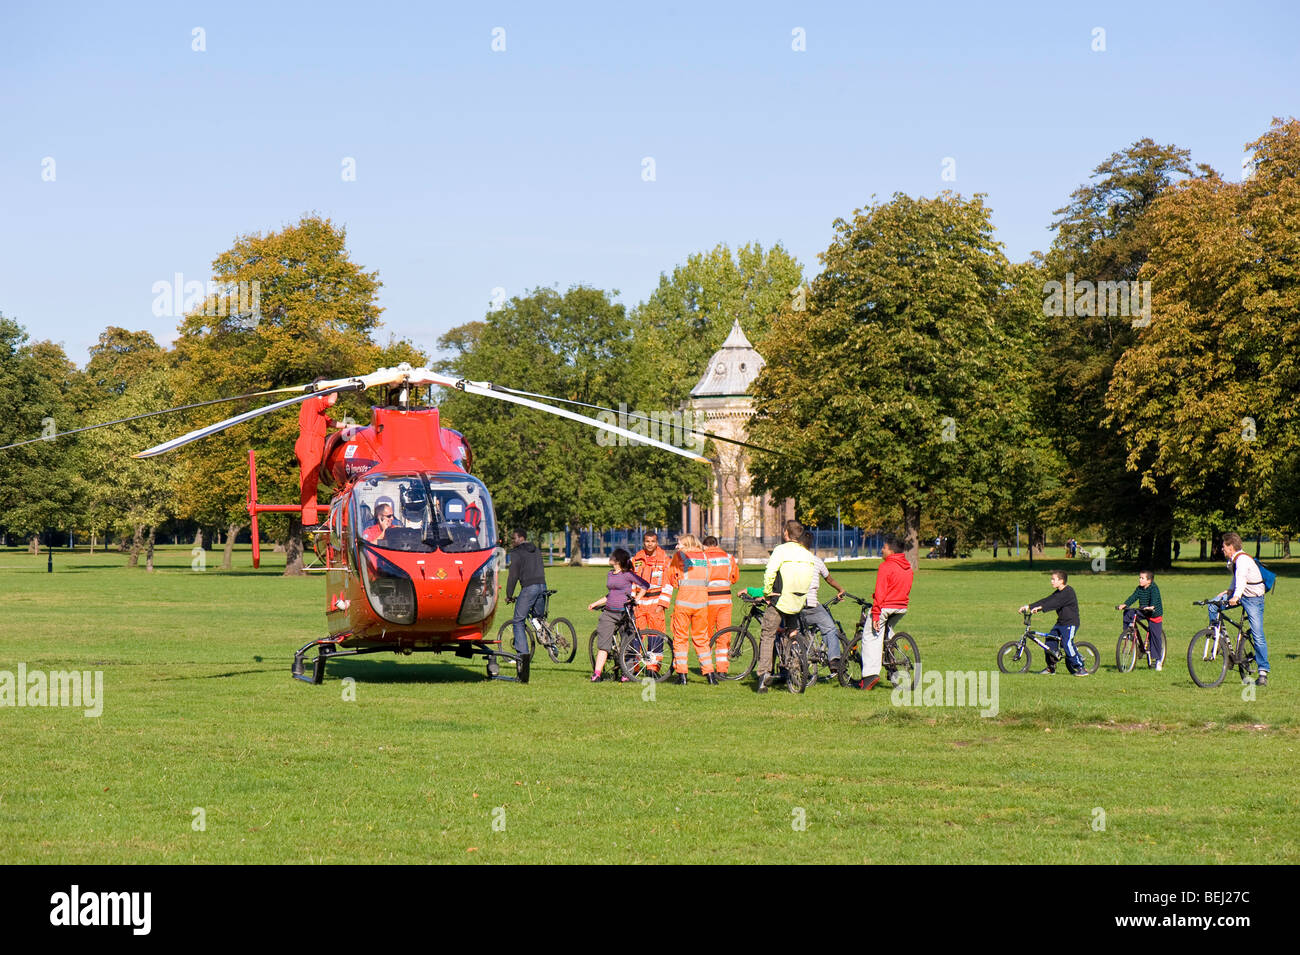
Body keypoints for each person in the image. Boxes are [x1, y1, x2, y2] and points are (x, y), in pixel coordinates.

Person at [754, 520, 818, 693]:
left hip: (781, 600)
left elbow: (770, 572)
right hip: (798, 600)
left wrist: (767, 593)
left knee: (767, 634)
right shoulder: (808, 555)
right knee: (792, 633)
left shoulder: (781, 550)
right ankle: (795, 667)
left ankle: (764, 674)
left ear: (786, 533)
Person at [1208, 532, 1269, 686]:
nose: (1222, 549)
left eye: (1224, 547)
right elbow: (1236, 579)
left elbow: (1241, 579)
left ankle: (1263, 672)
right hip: (1239, 594)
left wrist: (1235, 597)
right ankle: (1219, 642)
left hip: (1254, 599)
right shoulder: (1233, 560)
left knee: (1257, 634)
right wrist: (1229, 591)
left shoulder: (1242, 560)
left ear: (1231, 547)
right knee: (1212, 605)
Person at [855, 533, 912, 690]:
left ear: (891, 552)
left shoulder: (886, 566)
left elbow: (881, 592)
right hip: (901, 607)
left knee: (870, 637)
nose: (881, 550)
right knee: (887, 633)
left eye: (884, 548)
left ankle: (870, 675)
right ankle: (891, 663)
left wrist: (876, 612)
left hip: (885, 607)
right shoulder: (907, 567)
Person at [587, 549, 648, 682]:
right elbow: (611, 594)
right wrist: (595, 603)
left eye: (612, 556)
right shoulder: (610, 574)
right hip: (609, 612)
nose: (610, 558)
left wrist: (636, 599)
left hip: (624, 613)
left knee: (628, 643)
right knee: (603, 645)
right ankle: (597, 674)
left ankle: (627, 674)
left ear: (618, 560)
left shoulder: (627, 574)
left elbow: (645, 585)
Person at [662, 534, 716, 684]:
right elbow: (709, 576)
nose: (676, 546)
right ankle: (710, 675)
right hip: (702, 603)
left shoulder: (680, 556)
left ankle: (682, 676)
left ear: (685, 544)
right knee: (702, 639)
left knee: (680, 639)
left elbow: (671, 576)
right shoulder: (705, 557)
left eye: (678, 543)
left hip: (684, 602)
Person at [799, 530, 848, 679]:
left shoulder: (792, 561)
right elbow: (829, 579)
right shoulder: (816, 561)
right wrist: (840, 589)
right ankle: (833, 660)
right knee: (830, 628)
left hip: (794, 605)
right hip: (811, 605)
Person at [1019, 569, 1086, 675]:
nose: (1052, 581)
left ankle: (1081, 668)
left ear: (1061, 581)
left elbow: (1055, 603)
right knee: (1049, 642)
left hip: (1070, 623)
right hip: (1060, 623)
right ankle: (1051, 668)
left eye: (1054, 579)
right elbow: (1047, 600)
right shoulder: (1058, 592)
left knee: (1067, 643)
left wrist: (1040, 608)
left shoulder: (1068, 591)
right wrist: (1028, 606)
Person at [505, 528, 547, 684]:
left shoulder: (516, 553)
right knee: (538, 618)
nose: (512, 541)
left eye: (514, 538)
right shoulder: (535, 549)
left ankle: (522, 656)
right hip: (542, 585)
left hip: (529, 587)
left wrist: (509, 595)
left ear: (521, 538)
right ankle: (551, 644)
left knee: (518, 621)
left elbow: (513, 575)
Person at [702, 535, 740, 675]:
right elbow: (735, 577)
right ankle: (722, 669)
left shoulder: (703, 557)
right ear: (717, 544)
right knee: (724, 634)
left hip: (708, 600)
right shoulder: (729, 557)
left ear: (705, 546)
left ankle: (708, 668)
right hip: (725, 599)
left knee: (707, 635)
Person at [1117, 569, 1165, 670]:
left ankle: (1158, 661)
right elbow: (1133, 597)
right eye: (1140, 577)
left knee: (1155, 636)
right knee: (1128, 612)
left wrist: (1151, 607)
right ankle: (1128, 633)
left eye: (1142, 578)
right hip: (1143, 610)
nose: (1140, 580)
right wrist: (1124, 605)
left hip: (1153, 613)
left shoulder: (1154, 588)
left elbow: (1155, 600)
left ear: (1149, 580)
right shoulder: (1139, 588)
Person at [631, 532, 671, 635]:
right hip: (639, 604)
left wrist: (662, 605)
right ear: (643, 543)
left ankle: (654, 652)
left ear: (657, 543)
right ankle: (635, 652)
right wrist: (633, 602)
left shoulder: (664, 560)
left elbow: (668, 584)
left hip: (656, 604)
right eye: (647, 541)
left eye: (653, 541)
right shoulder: (636, 560)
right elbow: (632, 583)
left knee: (656, 636)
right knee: (637, 636)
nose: (650, 544)